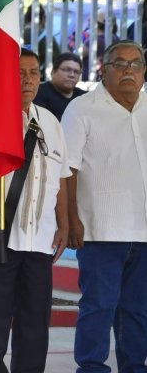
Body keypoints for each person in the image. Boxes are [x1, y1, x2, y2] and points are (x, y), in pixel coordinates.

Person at [0, 48, 70, 373]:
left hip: (39, 240)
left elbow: (62, 176)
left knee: (34, 326)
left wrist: (64, 222)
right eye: (19, 72)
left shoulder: (51, 122)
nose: (27, 79)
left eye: (34, 73)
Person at [62, 41, 147, 372]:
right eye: (120, 63)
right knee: (98, 306)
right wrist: (71, 219)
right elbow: (67, 168)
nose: (128, 70)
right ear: (104, 69)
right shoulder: (82, 109)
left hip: (143, 230)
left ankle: (134, 367)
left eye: (136, 64)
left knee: (138, 310)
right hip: (99, 229)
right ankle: (92, 367)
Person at [33, 52, 87, 121]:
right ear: (53, 72)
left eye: (76, 72)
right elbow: (42, 122)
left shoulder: (84, 96)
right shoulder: (38, 92)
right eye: (67, 70)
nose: (72, 75)